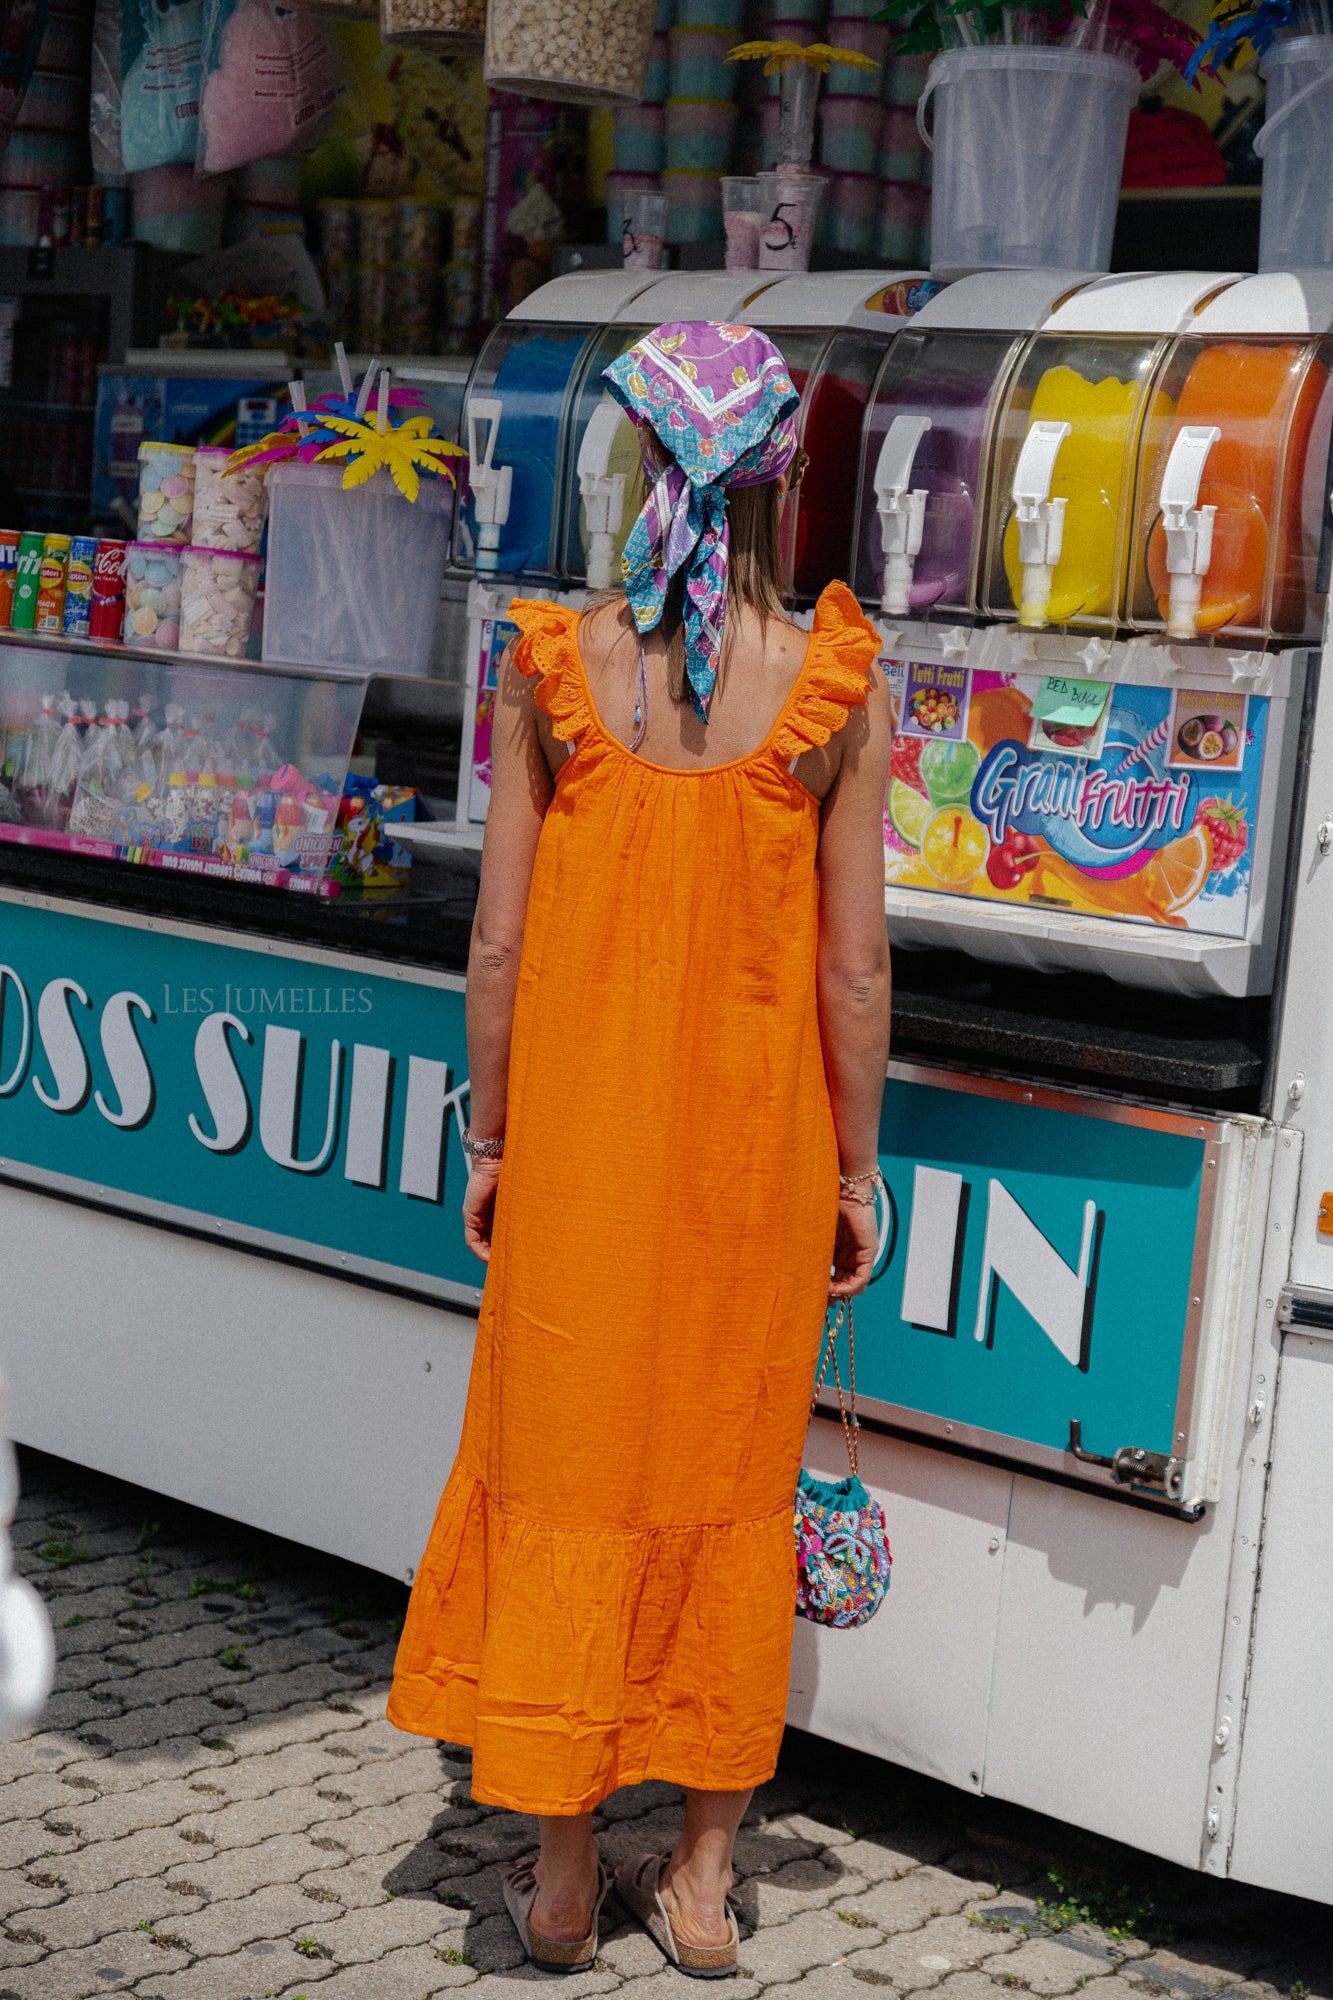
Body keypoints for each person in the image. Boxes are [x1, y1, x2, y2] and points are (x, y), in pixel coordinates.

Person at [388, 320, 892, 1979]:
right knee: (723, 1489)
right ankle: (695, 1879)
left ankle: (551, 1872)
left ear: (630, 460)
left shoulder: (550, 662)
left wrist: (493, 1132)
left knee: (571, 1476)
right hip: (753, 1165)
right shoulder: (829, 678)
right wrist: (856, 1170)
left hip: (583, 1165)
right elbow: (854, 967)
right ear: (780, 475)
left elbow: (499, 944)